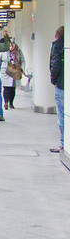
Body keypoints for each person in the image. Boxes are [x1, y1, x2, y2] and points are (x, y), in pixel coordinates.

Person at [50, 25, 64, 153]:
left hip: (62, 84)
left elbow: (55, 65)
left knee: (63, 115)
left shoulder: (57, 45)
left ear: (56, 35)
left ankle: (64, 143)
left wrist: (54, 80)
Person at [0, 40, 25, 109]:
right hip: (5, 71)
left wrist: (21, 70)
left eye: (11, 45)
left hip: (15, 71)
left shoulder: (18, 52)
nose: (10, 47)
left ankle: (11, 102)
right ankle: (6, 102)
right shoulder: (3, 51)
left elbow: (23, 61)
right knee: (6, 87)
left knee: (12, 88)